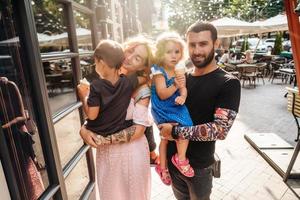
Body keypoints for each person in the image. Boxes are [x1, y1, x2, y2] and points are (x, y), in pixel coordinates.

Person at [158, 22, 241, 200]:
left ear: (216, 44)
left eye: (203, 44)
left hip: (199, 168)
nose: (196, 51)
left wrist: (174, 131)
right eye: (192, 45)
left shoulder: (228, 82)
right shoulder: (182, 79)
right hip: (173, 163)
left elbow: (220, 130)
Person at [78, 37, 154, 200]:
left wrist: (104, 140)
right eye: (130, 50)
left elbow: (138, 130)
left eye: (137, 58)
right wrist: (84, 130)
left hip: (131, 154)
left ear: (142, 66)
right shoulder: (102, 80)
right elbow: (96, 117)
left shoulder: (142, 89)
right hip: (106, 156)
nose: (130, 57)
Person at [150, 32, 194, 185]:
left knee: (185, 128)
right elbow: (162, 94)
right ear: (161, 53)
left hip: (175, 105)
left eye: (177, 52)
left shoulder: (179, 70)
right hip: (162, 107)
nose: (173, 55)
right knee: (165, 138)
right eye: (168, 52)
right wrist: (175, 83)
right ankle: (163, 167)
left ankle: (178, 159)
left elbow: (183, 89)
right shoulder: (158, 71)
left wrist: (183, 96)